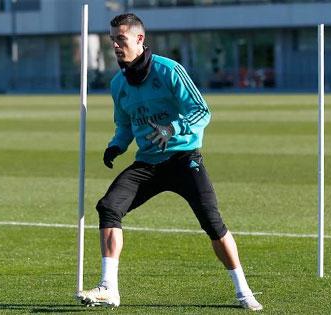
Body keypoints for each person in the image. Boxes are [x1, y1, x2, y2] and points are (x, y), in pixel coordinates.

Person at [75, 13, 263, 311]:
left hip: (183, 159)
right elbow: (124, 125)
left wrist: (172, 129)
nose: (115, 46)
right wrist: (115, 146)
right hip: (147, 163)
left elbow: (202, 111)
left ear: (139, 39)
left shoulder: (169, 70)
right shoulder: (118, 84)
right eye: (112, 40)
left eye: (120, 39)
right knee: (109, 206)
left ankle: (243, 291)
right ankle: (109, 287)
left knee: (213, 224)